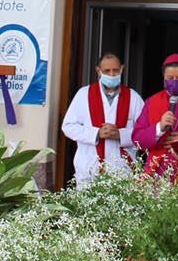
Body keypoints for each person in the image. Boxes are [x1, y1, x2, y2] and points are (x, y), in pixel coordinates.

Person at [61, 53, 144, 186]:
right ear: (98, 71)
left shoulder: (133, 97)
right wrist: (96, 133)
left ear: (122, 69)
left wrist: (121, 134)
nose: (111, 74)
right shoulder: (84, 94)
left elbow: (145, 133)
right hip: (89, 167)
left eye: (115, 70)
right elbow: (68, 127)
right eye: (107, 71)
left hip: (123, 169)